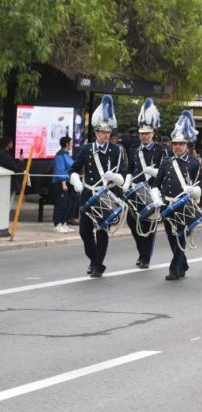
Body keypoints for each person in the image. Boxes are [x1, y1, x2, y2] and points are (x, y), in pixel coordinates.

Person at [69, 95, 127, 278]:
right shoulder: (87, 149)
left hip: (106, 194)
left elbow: (123, 174)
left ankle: (98, 264)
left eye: (108, 132)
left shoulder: (116, 151)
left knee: (103, 231)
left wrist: (117, 177)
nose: (106, 135)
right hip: (88, 193)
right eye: (102, 132)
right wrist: (75, 180)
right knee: (84, 231)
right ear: (96, 132)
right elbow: (73, 168)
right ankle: (95, 260)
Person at [152, 111, 202, 281]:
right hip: (168, 205)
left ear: (186, 145)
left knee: (181, 235)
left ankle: (174, 269)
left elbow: (200, 184)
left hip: (185, 205)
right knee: (171, 237)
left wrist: (194, 191)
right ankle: (183, 264)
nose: (177, 147)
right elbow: (156, 183)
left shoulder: (194, 163)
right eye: (175, 144)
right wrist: (157, 198)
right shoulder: (166, 162)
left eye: (181, 144)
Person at [124, 99, 164, 267]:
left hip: (151, 190)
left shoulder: (160, 150)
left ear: (152, 134)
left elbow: (165, 172)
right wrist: (126, 181)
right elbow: (130, 169)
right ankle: (142, 251)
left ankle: (145, 257)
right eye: (142, 134)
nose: (144, 136)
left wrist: (156, 173)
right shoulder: (134, 149)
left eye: (147, 133)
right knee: (132, 222)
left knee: (149, 224)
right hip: (136, 191)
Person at [52, 136, 74, 233]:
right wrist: (63, 183)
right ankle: (57, 224)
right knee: (61, 204)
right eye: (71, 143)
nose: (72, 145)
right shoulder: (60, 155)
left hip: (69, 182)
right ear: (66, 144)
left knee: (67, 204)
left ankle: (64, 222)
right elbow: (60, 170)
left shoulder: (67, 154)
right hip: (61, 183)